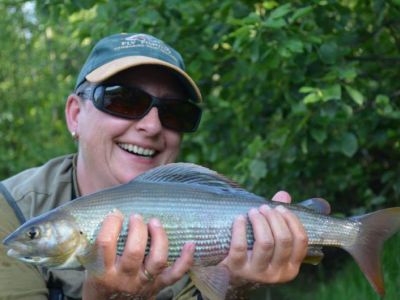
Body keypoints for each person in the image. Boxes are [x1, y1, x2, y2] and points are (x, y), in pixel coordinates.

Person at [0, 33, 308, 300]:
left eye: (174, 113)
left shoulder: (204, 213)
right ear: (75, 115)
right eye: (124, 100)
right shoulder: (11, 211)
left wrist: (231, 287)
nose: (152, 125)